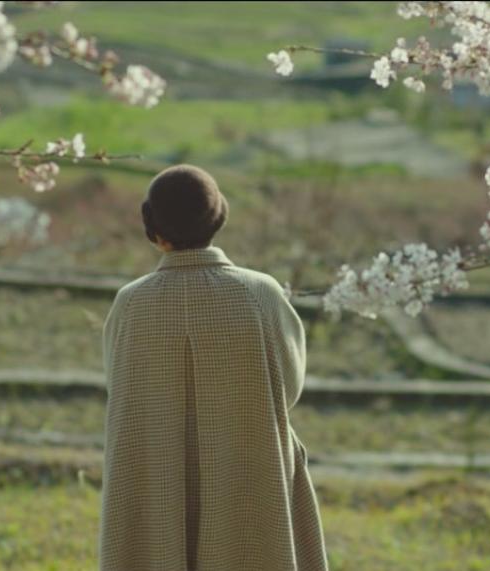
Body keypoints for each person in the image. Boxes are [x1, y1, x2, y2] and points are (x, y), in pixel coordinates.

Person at [98, 164, 328, 570]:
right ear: (218, 216)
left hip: (153, 469)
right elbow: (287, 388)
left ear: (152, 227)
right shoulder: (260, 293)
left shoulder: (131, 304)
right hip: (251, 466)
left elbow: (120, 386)